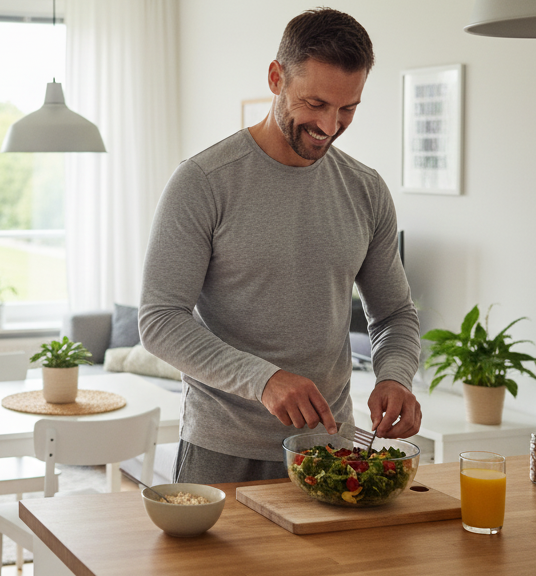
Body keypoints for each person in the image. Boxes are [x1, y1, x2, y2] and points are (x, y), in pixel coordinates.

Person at [139, 7, 422, 484]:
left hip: (330, 452)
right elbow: (160, 319)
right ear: (276, 78)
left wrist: (395, 376)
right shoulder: (203, 181)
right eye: (315, 104)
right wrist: (264, 379)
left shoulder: (366, 190)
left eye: (347, 108)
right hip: (222, 452)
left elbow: (395, 315)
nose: (330, 125)